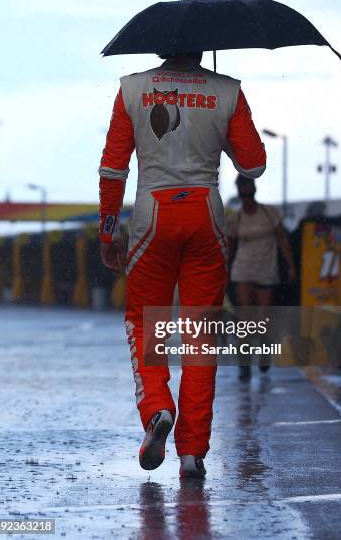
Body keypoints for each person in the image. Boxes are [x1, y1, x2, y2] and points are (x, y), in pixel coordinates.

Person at [98, 52, 266, 478]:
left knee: (143, 322)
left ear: (159, 47)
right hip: (206, 215)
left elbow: (113, 169)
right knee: (200, 336)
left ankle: (156, 408)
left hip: (152, 214)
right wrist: (221, 130)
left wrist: (107, 231)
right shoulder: (228, 90)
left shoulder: (132, 88)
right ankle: (192, 453)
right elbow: (254, 164)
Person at [227, 175, 297, 380]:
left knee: (265, 319)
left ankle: (265, 354)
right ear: (240, 194)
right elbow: (230, 250)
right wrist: (225, 272)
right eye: (243, 193)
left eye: (249, 192)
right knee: (245, 320)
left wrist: (291, 267)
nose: (247, 196)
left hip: (267, 270)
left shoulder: (270, 213)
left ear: (254, 191)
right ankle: (244, 364)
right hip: (243, 270)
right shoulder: (235, 219)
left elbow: (283, 239)